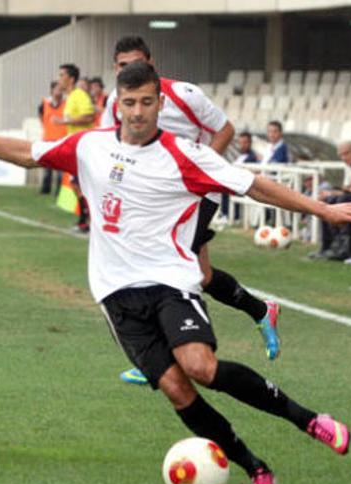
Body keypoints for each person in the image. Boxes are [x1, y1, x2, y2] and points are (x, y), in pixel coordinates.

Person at [0, 61, 351, 484]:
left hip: (171, 280)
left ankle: (309, 420)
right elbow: (24, 152)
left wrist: (323, 210)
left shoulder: (183, 155)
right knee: (177, 389)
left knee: (200, 367)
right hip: (115, 294)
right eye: (130, 103)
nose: (137, 112)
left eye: (147, 103)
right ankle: (256, 470)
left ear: (160, 104)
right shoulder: (90, 146)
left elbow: (252, 184)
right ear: (118, 104)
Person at [100, 36, 278, 386]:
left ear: (152, 63)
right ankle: (261, 310)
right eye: (122, 66)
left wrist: (199, 171)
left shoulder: (185, 94)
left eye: (136, 63)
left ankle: (165, 355)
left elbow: (224, 129)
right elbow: (111, 145)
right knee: (202, 275)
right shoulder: (115, 102)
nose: (130, 70)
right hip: (152, 198)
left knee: (168, 264)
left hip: (196, 190)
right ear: (115, 69)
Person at [311, 144, 351, 261]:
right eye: (341, 155)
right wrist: (331, 194)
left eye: (345, 154)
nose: (343, 158)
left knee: (342, 200)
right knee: (329, 201)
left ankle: (344, 246)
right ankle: (328, 246)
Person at [54, 64, 95, 232]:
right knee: (77, 184)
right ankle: (84, 220)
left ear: (71, 78)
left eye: (62, 75)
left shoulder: (79, 95)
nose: (59, 78)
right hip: (74, 147)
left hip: (83, 146)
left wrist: (65, 121)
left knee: (80, 185)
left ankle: (87, 221)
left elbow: (89, 116)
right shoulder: (70, 97)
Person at [38, 80, 66, 194]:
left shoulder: (66, 103)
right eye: (57, 89)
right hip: (48, 138)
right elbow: (41, 117)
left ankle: (59, 190)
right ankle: (45, 189)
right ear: (52, 90)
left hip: (62, 138)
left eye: (61, 89)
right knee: (47, 167)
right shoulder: (44, 103)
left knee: (60, 168)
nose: (59, 92)